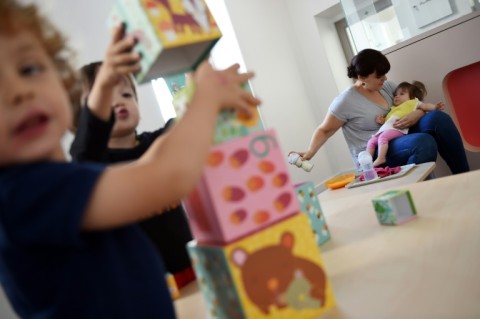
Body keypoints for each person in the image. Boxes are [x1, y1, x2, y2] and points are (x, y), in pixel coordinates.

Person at [0, 1, 261, 318]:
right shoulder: (27, 192)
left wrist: (106, 78)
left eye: (29, 69)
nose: (18, 92)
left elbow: (140, 159)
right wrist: (205, 98)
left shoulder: (43, 185)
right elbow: (167, 174)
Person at [70, 58, 195, 288]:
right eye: (106, 98)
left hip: (188, 265)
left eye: (126, 95)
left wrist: (195, 70)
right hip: (140, 282)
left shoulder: (156, 140)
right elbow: (82, 155)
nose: (118, 102)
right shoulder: (91, 165)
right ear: (83, 122)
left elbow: (191, 116)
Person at [293, 48, 469, 174]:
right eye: (379, 76)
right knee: (423, 142)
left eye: (384, 74)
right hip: (375, 151)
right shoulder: (345, 101)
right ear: (362, 77)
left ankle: (464, 178)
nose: (385, 78)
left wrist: (419, 113)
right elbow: (325, 130)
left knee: (438, 118)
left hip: (400, 134)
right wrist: (309, 152)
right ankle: (416, 193)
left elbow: (413, 104)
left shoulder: (387, 86)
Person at [367, 81, 445, 167]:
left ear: (412, 97)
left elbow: (425, 106)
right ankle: (367, 163)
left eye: (402, 94)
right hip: (386, 129)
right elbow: (388, 121)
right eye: (396, 94)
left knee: (383, 138)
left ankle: (381, 158)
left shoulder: (413, 102)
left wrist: (435, 107)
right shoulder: (394, 108)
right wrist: (382, 120)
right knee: (371, 141)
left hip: (398, 130)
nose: (397, 96)